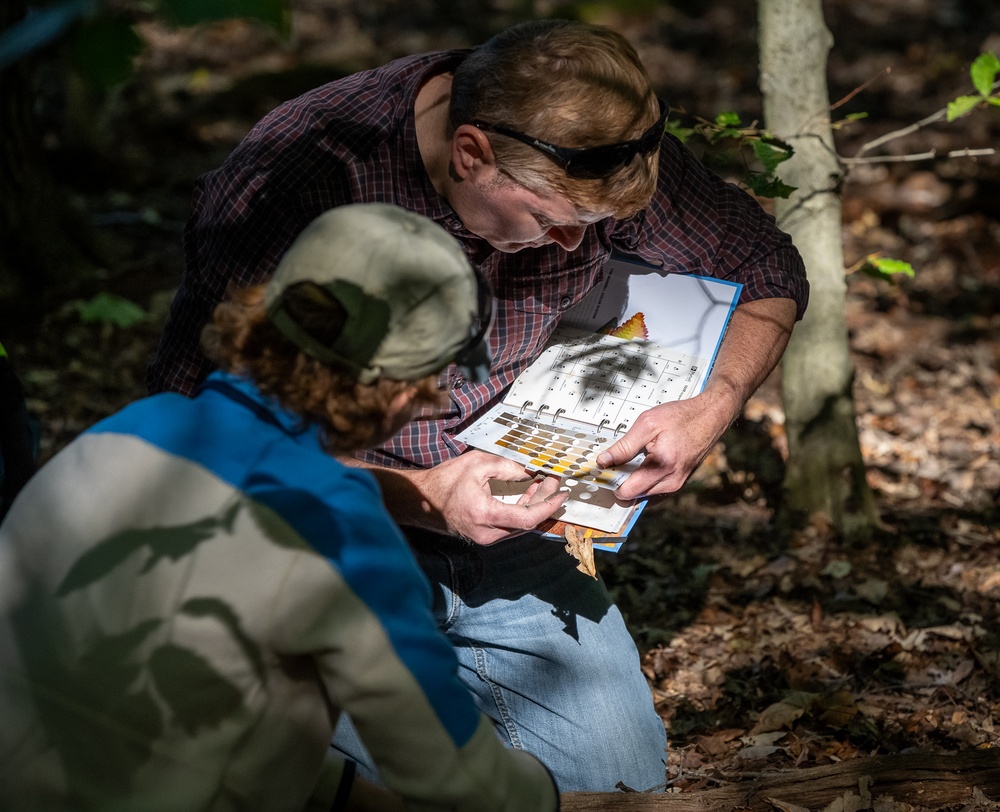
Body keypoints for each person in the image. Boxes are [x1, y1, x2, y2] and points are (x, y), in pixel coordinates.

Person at [148, 19, 810, 792]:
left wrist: (716, 402)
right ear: (472, 153)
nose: (573, 246)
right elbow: (201, 438)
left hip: (508, 523)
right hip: (321, 526)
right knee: (389, 786)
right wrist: (426, 495)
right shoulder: (300, 175)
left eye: (595, 229)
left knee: (618, 783)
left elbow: (764, 265)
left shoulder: (596, 143)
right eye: (550, 221)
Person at [0, 204, 561, 812]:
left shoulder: (121, 432)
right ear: (402, 388)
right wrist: (540, 796)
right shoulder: (332, 522)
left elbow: (130, 712)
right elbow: (453, 777)